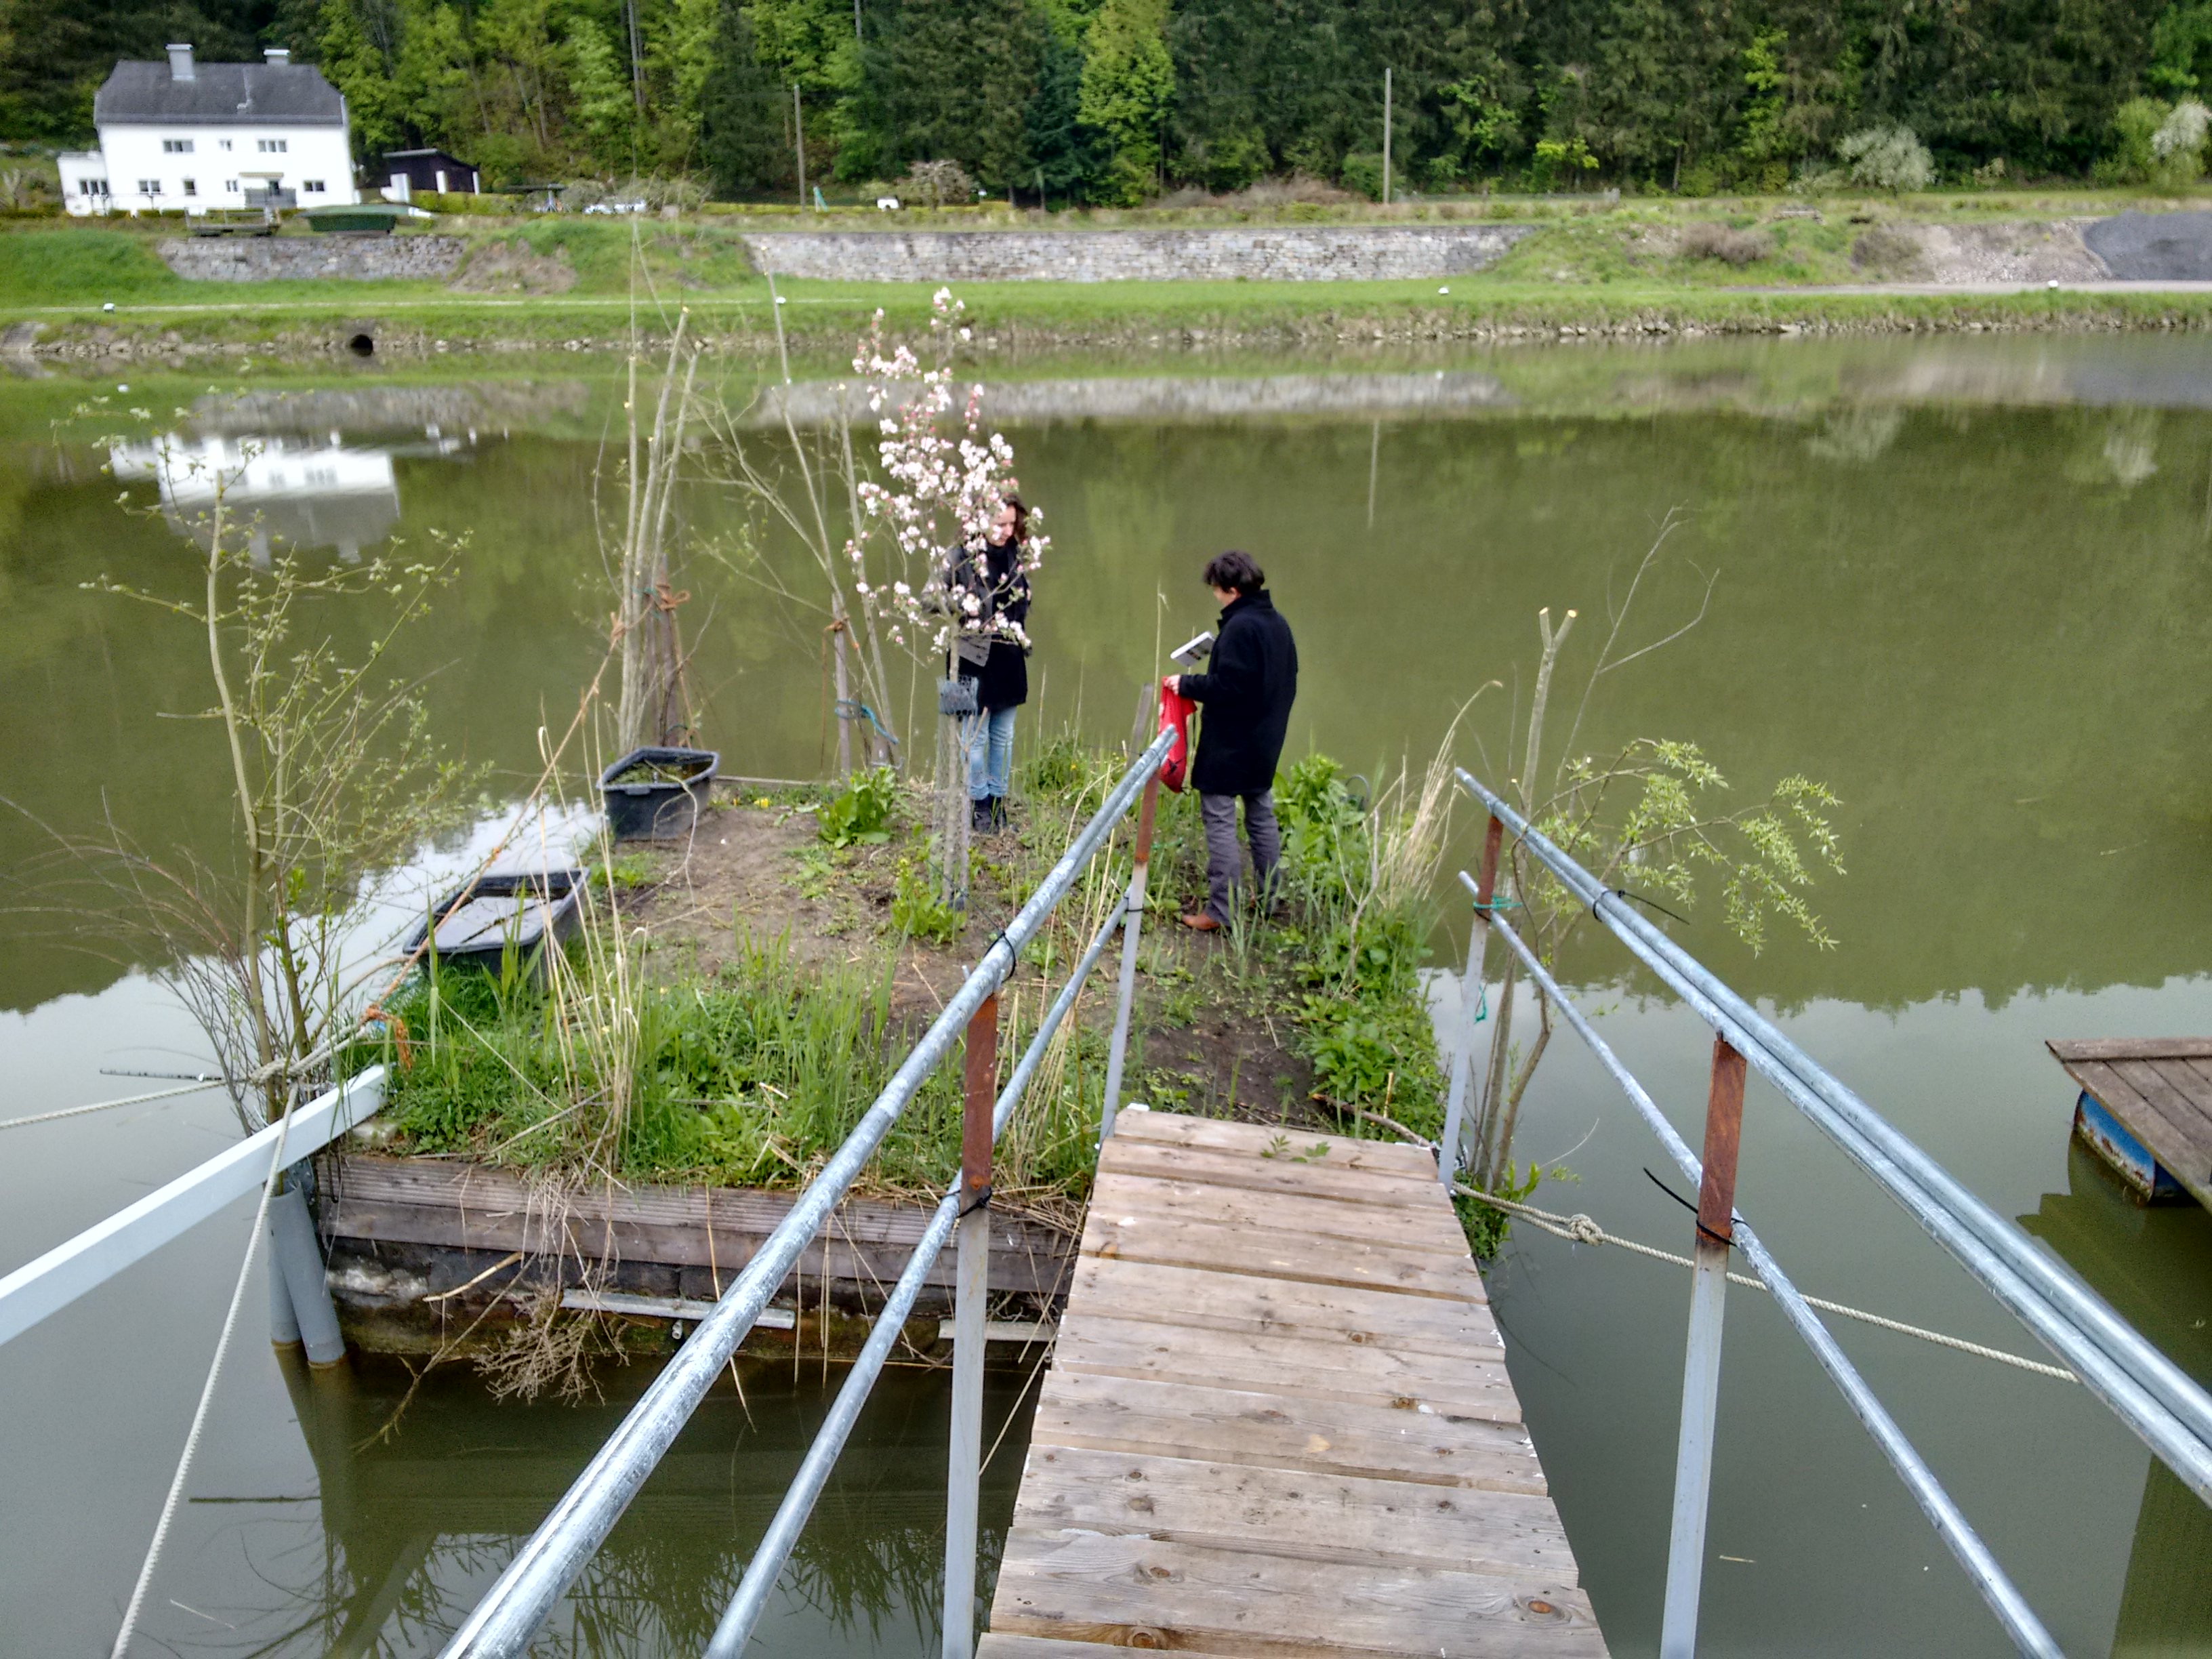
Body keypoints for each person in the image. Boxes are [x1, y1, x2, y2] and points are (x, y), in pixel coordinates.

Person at [1171, 550, 1298, 932]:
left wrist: (1186, 683)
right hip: (1265, 740)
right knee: (1261, 817)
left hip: (1232, 744)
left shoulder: (1241, 628)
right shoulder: (1277, 623)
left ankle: (1221, 911)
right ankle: (1271, 897)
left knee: (1220, 820)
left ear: (1230, 589)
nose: (1215, 596)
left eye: (1216, 589)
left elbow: (1229, 687)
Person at [946, 495, 1032, 834]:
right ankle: (977, 805)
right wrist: (964, 607)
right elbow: (929, 601)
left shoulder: (1018, 555)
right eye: (999, 524)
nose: (1005, 532)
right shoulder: (957, 557)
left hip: (1009, 657)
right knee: (973, 739)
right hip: (968, 659)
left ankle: (998, 804)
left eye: (1011, 524)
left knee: (1004, 737)